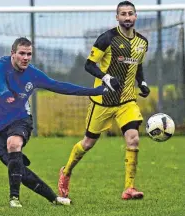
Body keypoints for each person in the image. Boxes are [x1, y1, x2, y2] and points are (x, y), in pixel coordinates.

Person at [0, 37, 107, 208]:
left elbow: (61, 86)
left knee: (13, 144)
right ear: (12, 54)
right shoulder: (0, 65)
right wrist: (5, 93)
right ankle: (54, 198)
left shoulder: (33, 74)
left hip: (20, 119)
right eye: (22, 53)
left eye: (29, 54)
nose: (26, 58)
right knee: (17, 167)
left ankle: (14, 198)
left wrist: (94, 91)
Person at [58, 1, 150, 200]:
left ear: (136, 16)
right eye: (123, 14)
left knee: (133, 138)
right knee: (88, 143)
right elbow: (89, 65)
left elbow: (138, 67)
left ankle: (129, 188)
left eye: (130, 13)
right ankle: (66, 173)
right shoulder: (106, 39)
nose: (127, 17)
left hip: (126, 101)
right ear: (117, 17)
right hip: (102, 101)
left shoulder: (142, 43)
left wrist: (142, 83)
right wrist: (106, 77)